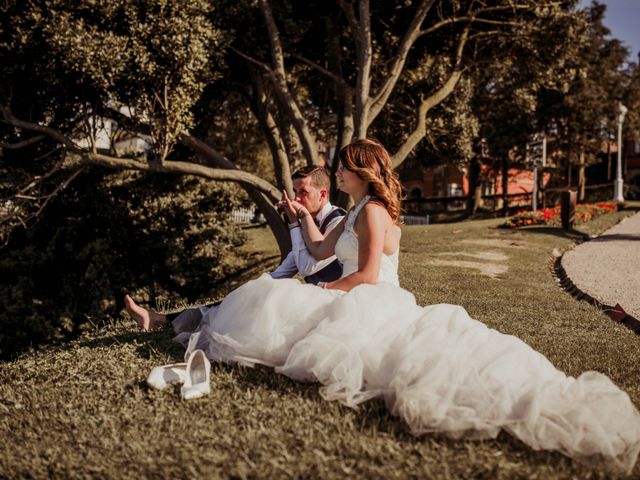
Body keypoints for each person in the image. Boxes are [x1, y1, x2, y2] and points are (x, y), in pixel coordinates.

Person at [144, 139, 640, 472]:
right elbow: (318, 251)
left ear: (359, 171)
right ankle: (191, 325)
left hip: (373, 299)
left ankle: (187, 325)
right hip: (358, 293)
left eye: (341, 166)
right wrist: (297, 219)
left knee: (299, 313)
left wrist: (317, 292)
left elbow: (367, 276)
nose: (336, 171)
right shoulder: (353, 210)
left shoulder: (374, 211)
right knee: (271, 294)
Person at [125, 165, 346, 330]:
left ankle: (164, 320)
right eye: (295, 193)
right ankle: (161, 319)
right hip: (315, 298)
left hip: (333, 306)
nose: (296, 199)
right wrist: (248, 292)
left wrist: (293, 223)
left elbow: (307, 267)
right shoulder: (308, 223)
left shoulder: (337, 222)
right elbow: (283, 271)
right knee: (250, 295)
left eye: (303, 193)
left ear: (323, 194)